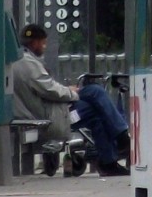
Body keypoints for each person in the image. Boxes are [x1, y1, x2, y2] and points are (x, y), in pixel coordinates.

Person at [11, 24, 131, 177]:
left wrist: (69, 90)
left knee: (95, 99)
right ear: (35, 42)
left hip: (47, 110)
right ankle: (120, 141)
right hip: (52, 116)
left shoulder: (20, 60)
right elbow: (50, 90)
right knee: (95, 96)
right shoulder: (28, 63)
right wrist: (72, 92)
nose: (44, 47)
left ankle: (112, 156)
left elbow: (44, 87)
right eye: (43, 43)